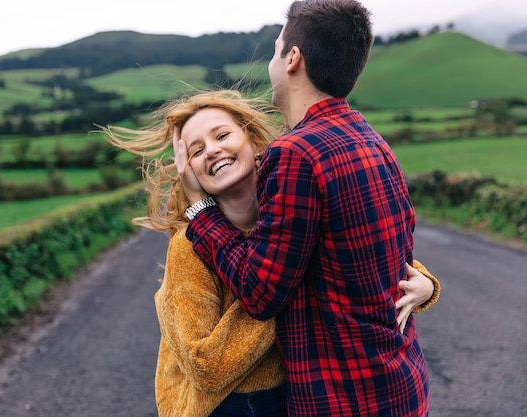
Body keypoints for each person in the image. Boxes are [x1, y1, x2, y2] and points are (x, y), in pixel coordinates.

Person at [103, 90, 441, 417]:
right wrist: (282, 285)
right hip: (224, 408)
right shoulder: (189, 248)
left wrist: (424, 282)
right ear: (189, 173)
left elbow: (360, 255)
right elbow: (205, 366)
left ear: (251, 139)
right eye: (196, 150)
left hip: (290, 397)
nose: (212, 150)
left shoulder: (291, 208)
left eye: (222, 135)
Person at [176, 1, 437, 416]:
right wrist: (427, 284)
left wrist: (200, 212)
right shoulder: (372, 140)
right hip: (403, 384)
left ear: (292, 59)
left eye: (277, 49)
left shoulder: (296, 153)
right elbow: (380, 260)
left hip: (346, 401)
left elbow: (260, 293)